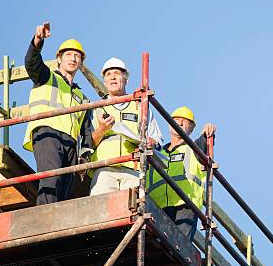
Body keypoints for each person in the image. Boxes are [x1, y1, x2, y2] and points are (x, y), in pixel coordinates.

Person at [23, 22, 94, 205]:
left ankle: (57, 227)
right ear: (59, 59)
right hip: (47, 134)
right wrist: (38, 41)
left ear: (80, 63)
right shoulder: (47, 77)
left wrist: (84, 157)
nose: (73, 58)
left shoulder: (82, 98)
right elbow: (32, 62)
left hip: (70, 143)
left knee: (65, 189)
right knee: (50, 181)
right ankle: (44, 221)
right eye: (68, 54)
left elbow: (86, 133)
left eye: (77, 56)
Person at [88, 57, 162, 195]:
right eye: (108, 74)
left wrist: (152, 142)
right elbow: (88, 143)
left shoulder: (140, 107)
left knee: (132, 213)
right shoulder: (96, 108)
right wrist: (102, 129)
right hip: (104, 169)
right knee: (102, 213)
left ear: (126, 79)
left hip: (133, 170)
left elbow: (157, 140)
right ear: (104, 81)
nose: (113, 77)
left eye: (117, 73)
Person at [147, 106, 216, 242]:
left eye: (185, 121)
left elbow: (204, 144)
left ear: (191, 128)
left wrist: (207, 132)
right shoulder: (158, 152)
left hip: (185, 204)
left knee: (180, 246)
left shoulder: (193, 148)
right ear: (169, 124)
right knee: (160, 243)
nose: (180, 123)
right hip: (159, 205)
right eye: (176, 119)